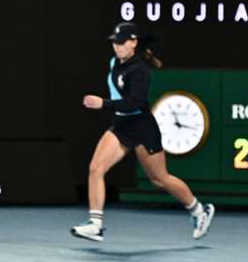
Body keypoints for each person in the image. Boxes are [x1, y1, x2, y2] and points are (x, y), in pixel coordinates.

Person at [73, 22, 215, 242]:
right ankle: (95, 224)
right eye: (114, 43)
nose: (117, 47)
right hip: (121, 125)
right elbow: (119, 99)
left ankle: (199, 210)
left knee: (160, 179)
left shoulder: (140, 71)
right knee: (96, 168)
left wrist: (102, 104)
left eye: (121, 43)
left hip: (142, 127)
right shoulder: (114, 63)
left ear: (133, 43)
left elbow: (134, 104)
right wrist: (109, 106)